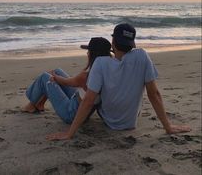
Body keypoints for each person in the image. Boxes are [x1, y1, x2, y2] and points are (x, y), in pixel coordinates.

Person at [46, 23, 191, 140]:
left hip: (109, 120)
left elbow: (88, 101)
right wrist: (168, 127)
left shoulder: (101, 63)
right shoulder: (142, 56)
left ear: (113, 42)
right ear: (133, 43)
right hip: (130, 120)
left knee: (90, 92)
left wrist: (69, 134)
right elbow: (154, 95)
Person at [22, 37, 112, 124]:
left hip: (71, 114)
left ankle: (31, 105)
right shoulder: (108, 71)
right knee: (57, 71)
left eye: (89, 51)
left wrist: (54, 76)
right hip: (85, 112)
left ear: (93, 54)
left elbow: (66, 82)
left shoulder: (86, 76)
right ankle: (39, 104)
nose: (87, 53)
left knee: (45, 77)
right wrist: (55, 75)